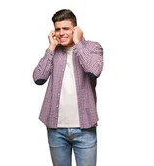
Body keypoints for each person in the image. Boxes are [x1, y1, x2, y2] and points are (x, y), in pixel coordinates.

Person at [32, 9, 104, 166]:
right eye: (57, 29)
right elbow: (38, 78)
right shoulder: (54, 51)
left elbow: (94, 71)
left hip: (84, 128)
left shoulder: (93, 48)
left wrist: (78, 43)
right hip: (56, 129)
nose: (61, 33)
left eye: (65, 28)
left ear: (75, 29)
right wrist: (51, 48)